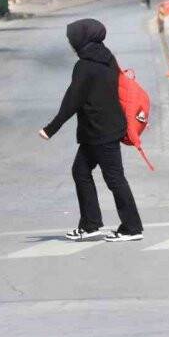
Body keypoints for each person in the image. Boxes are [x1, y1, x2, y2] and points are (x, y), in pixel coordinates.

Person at [39, 18, 144, 242]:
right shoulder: (107, 58)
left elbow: (72, 101)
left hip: (101, 132)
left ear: (82, 39)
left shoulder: (84, 66)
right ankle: (90, 224)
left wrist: (51, 128)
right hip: (99, 130)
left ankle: (132, 227)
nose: (71, 43)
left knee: (114, 178)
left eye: (72, 39)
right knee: (81, 172)